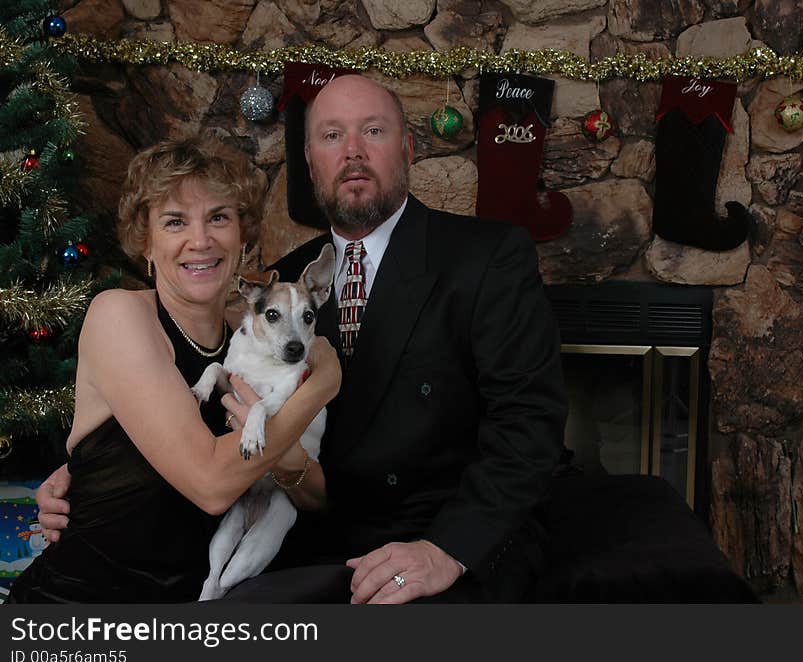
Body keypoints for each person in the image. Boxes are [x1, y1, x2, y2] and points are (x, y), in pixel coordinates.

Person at [36, 75, 568, 604]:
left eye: (374, 131)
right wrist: (90, 469)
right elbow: (184, 447)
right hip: (228, 567)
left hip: (429, 537)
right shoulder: (281, 290)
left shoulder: (485, 255)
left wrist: (446, 548)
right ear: (311, 162)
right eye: (332, 136)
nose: (353, 152)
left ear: (406, 148)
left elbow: (528, 421)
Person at [10, 138, 340, 603]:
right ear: (145, 242)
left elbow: (315, 498)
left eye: (219, 217)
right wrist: (321, 384)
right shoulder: (120, 316)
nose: (201, 240)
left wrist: (286, 462)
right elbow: (210, 486)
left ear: (242, 237)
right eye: (175, 221)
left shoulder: (251, 335)